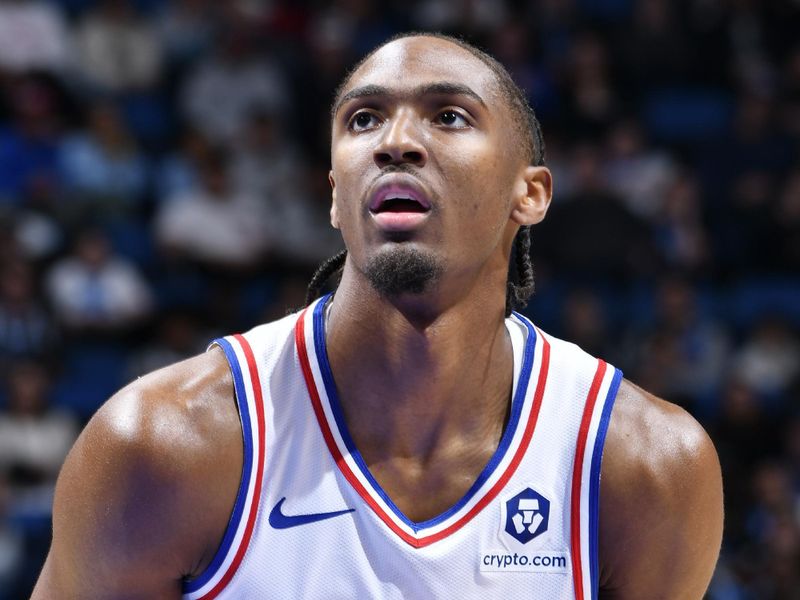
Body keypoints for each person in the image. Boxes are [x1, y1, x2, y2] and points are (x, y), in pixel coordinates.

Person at [32, 32, 723, 599]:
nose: (396, 142)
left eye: (449, 115)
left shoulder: (642, 466)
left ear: (531, 193)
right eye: (364, 119)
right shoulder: (162, 446)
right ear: (336, 197)